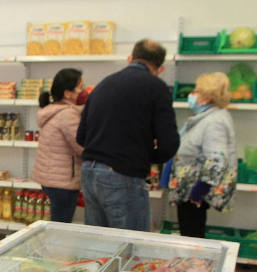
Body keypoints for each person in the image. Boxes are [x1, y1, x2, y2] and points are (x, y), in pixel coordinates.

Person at [76, 39, 179, 231]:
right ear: (160, 68)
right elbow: (169, 144)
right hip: (123, 176)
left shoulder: (103, 84)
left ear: (130, 58)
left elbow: (81, 137)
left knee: (98, 243)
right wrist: (144, 157)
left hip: (89, 173)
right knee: (132, 246)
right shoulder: (156, 87)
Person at [168, 73, 237, 237]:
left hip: (195, 190)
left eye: (197, 91)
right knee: (190, 231)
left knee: (192, 234)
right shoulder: (206, 117)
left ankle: (194, 263)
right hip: (190, 187)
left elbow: (216, 158)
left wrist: (200, 190)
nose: (192, 95)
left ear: (207, 98)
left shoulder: (214, 121)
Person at [31, 68, 86, 223]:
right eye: (80, 87)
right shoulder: (68, 114)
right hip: (63, 181)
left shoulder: (51, 109)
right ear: (67, 93)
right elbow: (81, 146)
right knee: (61, 224)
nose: (83, 91)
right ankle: (57, 248)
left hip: (51, 178)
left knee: (57, 221)